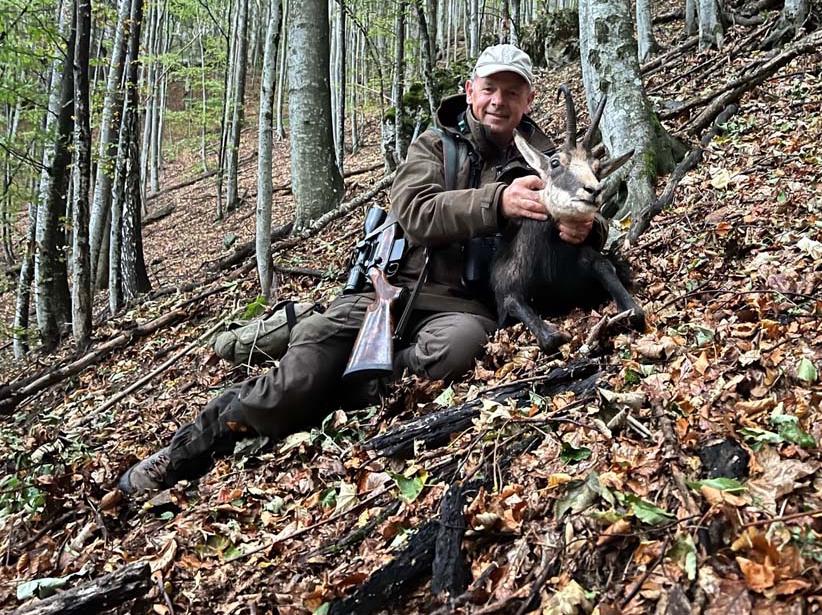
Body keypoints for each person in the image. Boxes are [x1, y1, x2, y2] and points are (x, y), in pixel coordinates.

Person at [118, 44, 605, 494]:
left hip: (462, 307)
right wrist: (495, 202)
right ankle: (187, 451)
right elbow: (414, 212)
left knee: (458, 349)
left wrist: (586, 230)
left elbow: (589, 212)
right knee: (295, 381)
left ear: (528, 101)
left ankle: (349, 386)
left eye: (513, 92)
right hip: (386, 290)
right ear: (470, 91)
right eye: (490, 89)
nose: (499, 101)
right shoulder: (435, 145)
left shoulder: (550, 160)